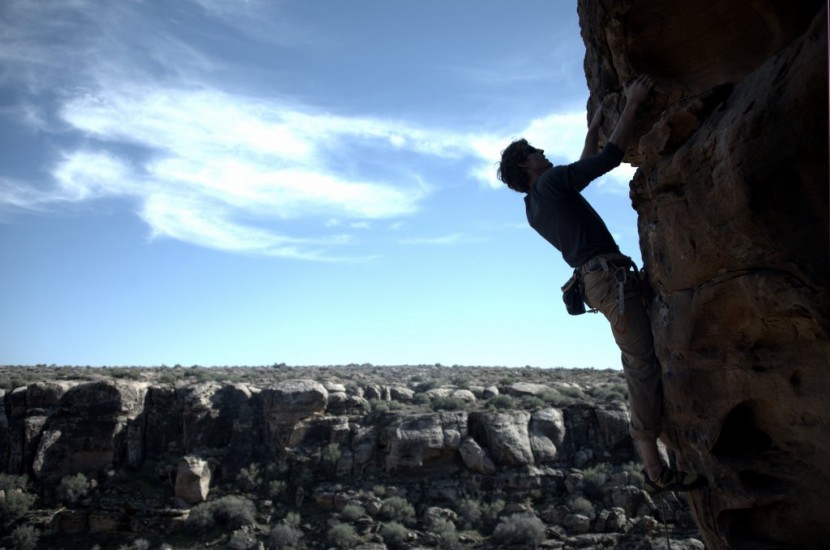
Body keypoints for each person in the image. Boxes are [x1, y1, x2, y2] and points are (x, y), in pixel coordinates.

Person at [496, 75, 705, 494]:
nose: (543, 152)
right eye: (536, 151)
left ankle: (657, 451)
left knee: (648, 356)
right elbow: (608, 159)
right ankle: (654, 468)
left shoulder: (534, 205)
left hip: (601, 281)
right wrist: (633, 102)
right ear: (525, 163)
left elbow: (582, 168)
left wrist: (591, 130)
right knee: (641, 363)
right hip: (609, 281)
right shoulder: (552, 185)